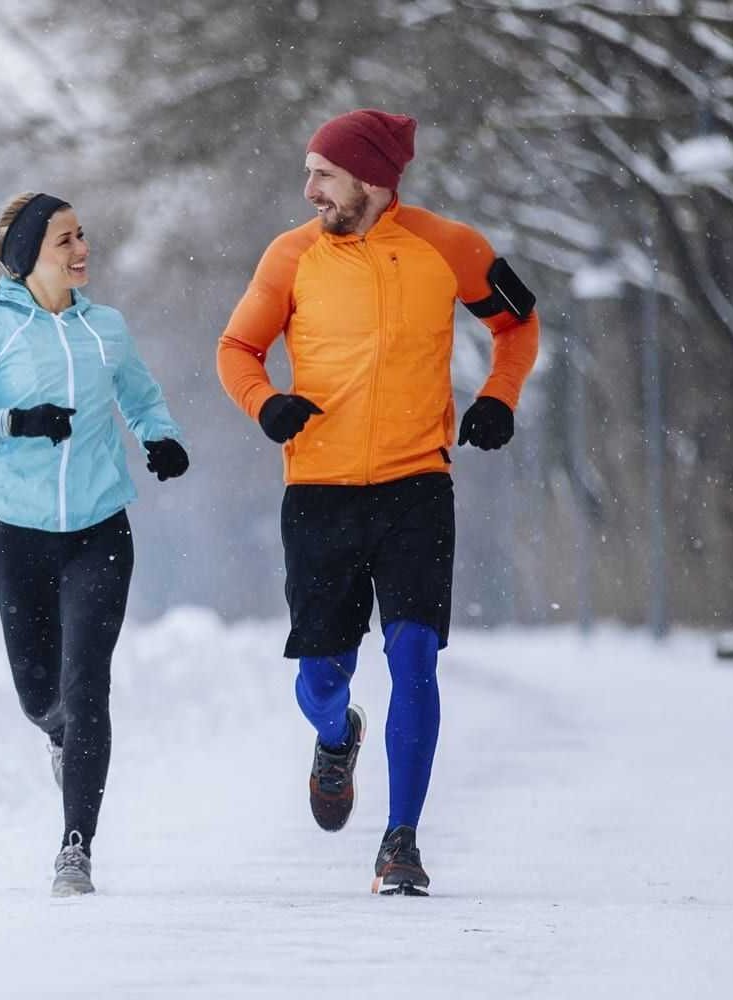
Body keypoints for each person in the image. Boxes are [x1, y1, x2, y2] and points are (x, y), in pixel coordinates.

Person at [215, 110, 539, 896]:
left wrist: (498, 396)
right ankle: (336, 736)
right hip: (318, 493)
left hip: (415, 487)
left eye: (323, 173)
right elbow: (236, 349)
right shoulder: (289, 256)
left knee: (413, 657)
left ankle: (401, 842)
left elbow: (518, 322)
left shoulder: (447, 246)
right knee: (322, 677)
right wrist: (265, 405)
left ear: (371, 178)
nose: (309, 188)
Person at [0, 192, 189, 897]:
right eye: (64, 242)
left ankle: (74, 847)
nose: (81, 250)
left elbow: (140, 399)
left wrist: (159, 438)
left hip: (100, 532)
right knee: (39, 696)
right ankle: (56, 734)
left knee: (87, 688)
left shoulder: (105, 327)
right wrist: (11, 424)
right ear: (26, 259)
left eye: (82, 236)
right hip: (18, 537)